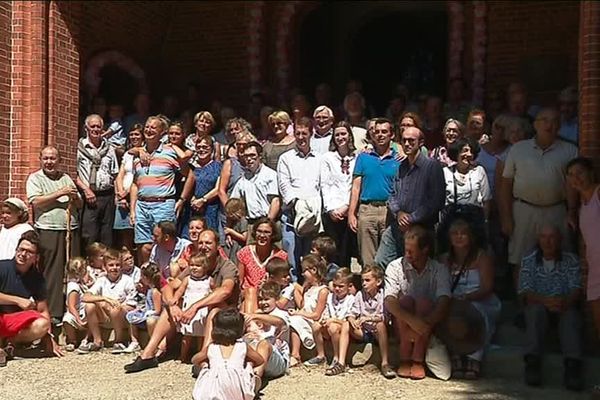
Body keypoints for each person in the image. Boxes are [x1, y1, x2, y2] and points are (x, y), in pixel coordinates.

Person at [125, 229, 239, 373]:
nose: (204, 246)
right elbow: (169, 286)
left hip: (225, 311)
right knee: (170, 308)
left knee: (214, 310)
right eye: (201, 243)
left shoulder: (227, 266)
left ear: (218, 246)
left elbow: (225, 291)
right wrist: (172, 304)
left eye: (208, 243)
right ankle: (148, 354)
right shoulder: (196, 265)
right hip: (196, 311)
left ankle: (203, 359)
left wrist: (195, 306)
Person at [499, 108, 578, 284]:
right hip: (523, 210)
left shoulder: (570, 150)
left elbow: (572, 185)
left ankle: (559, 299)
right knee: (520, 259)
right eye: (545, 120)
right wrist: (506, 218)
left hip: (557, 210)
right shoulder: (518, 149)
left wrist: (572, 211)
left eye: (555, 120)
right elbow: (505, 186)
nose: (550, 125)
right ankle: (523, 305)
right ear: (535, 124)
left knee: (562, 256)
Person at [518, 225, 583, 391]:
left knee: (571, 316)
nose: (547, 242)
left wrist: (564, 302)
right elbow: (525, 291)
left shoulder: (571, 260)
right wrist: (546, 301)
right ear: (538, 240)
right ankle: (532, 364)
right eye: (543, 237)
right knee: (535, 312)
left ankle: (572, 367)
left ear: (560, 240)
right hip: (540, 304)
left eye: (552, 237)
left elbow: (576, 288)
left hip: (563, 304)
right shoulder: (528, 259)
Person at [384, 226, 451, 380]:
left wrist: (424, 324)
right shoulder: (395, 267)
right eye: (405, 250)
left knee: (424, 303)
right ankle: (405, 356)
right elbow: (389, 300)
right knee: (405, 302)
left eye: (411, 251)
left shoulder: (439, 269)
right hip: (403, 321)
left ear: (425, 249)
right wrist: (413, 322)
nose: (407, 255)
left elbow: (444, 299)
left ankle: (417, 359)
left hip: (428, 320)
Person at [26, 146, 83, 324]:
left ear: (59, 160)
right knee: (52, 271)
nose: (49, 162)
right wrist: (60, 193)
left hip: (70, 229)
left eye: (53, 158)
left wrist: (75, 197)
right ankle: (53, 313)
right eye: (46, 158)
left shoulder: (66, 178)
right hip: (48, 229)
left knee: (73, 270)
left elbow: (79, 204)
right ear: (40, 159)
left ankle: (72, 310)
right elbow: (36, 202)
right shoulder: (35, 178)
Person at [375, 126, 445, 268]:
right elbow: (392, 194)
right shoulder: (400, 166)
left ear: (421, 142)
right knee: (380, 262)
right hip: (398, 225)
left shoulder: (432, 166)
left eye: (411, 141)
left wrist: (411, 218)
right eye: (404, 140)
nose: (407, 144)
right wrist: (399, 213)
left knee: (416, 268)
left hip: (422, 227)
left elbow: (436, 200)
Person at [441, 219, 501, 379]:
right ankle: (455, 354)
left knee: (477, 313)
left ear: (471, 237)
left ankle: (474, 358)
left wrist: (468, 297)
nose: (459, 237)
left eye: (463, 234)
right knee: (446, 313)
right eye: (455, 234)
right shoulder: (445, 260)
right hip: (454, 301)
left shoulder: (482, 257)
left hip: (480, 299)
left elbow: (487, 287)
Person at [0, 232, 63, 364]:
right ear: (16, 250)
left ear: (36, 257)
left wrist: (48, 337)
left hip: (14, 323)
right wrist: (18, 300)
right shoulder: (2, 267)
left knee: (43, 323)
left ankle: (9, 343)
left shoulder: (37, 278)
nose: (23, 254)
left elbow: (43, 310)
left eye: (29, 252)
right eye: (21, 249)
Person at [348, 118, 400, 267]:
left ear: (392, 135)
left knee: (388, 258)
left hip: (389, 211)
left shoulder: (399, 158)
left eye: (384, 132)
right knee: (367, 259)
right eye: (376, 132)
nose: (380, 135)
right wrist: (352, 213)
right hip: (367, 210)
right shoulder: (363, 157)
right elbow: (356, 186)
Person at [130, 116, 181, 263]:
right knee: (144, 246)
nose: (149, 130)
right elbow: (135, 184)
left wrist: (182, 200)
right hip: (142, 206)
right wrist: (133, 210)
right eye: (147, 126)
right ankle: (147, 278)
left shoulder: (170, 152)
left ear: (162, 132)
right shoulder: (137, 156)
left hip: (163, 205)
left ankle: (164, 279)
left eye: (153, 127)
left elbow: (189, 174)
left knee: (165, 243)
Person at [277, 117, 322, 281]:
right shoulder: (286, 158)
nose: (301, 137)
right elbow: (284, 185)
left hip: (312, 216)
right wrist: (297, 203)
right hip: (291, 215)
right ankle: (293, 292)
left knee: (310, 259)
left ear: (311, 134)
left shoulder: (320, 158)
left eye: (305, 133)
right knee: (292, 260)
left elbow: (322, 185)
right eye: (298, 133)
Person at [192, 308, 263, 400]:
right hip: (237, 388)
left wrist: (205, 365)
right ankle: (250, 381)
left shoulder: (212, 347)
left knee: (205, 363)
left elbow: (194, 359)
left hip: (213, 389)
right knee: (250, 361)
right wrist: (248, 364)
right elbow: (260, 360)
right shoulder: (242, 346)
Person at [337, 265, 393, 378]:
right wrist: (352, 319)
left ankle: (385, 363)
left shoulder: (384, 295)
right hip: (365, 331)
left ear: (378, 282)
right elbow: (352, 313)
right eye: (362, 280)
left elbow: (386, 317)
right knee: (346, 324)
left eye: (367, 280)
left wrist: (369, 318)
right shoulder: (360, 294)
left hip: (379, 332)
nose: (364, 283)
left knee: (381, 325)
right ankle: (340, 362)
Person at [78, 248, 137, 354]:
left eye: (117, 265)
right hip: (105, 315)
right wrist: (105, 299)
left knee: (115, 309)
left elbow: (132, 305)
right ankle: (97, 340)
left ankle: (119, 341)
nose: (114, 268)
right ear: (105, 267)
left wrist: (115, 307)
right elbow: (85, 297)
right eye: (111, 265)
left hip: (121, 317)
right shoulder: (101, 281)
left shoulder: (127, 281)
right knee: (89, 306)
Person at [438, 137, 491, 253]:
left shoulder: (479, 171)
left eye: (471, 151)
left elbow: (486, 200)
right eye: (465, 150)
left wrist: (485, 222)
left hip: (473, 222)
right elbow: (439, 200)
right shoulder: (445, 172)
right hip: (451, 221)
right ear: (456, 152)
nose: (468, 154)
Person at [566, 158, 600, 338]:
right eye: (571, 175)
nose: (576, 178)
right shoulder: (581, 206)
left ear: (590, 173)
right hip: (595, 268)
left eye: (580, 173)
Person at [76, 114, 119, 249]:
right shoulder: (78, 148)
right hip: (89, 196)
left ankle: (106, 265)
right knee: (89, 234)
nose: (95, 129)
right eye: (92, 126)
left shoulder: (109, 148)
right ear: (86, 128)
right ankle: (90, 265)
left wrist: (117, 195)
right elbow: (73, 173)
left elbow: (115, 174)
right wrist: (86, 190)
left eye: (98, 126)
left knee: (107, 234)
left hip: (107, 195)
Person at [320, 121, 358, 268]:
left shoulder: (357, 157)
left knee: (347, 251)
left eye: (343, 134)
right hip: (332, 212)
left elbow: (354, 185)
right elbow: (325, 184)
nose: (340, 137)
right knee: (333, 252)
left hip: (350, 210)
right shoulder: (327, 158)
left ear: (349, 136)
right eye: (337, 135)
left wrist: (347, 207)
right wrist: (331, 209)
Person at [307, 268, 354, 373]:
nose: (337, 289)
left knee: (333, 327)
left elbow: (348, 321)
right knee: (315, 326)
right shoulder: (330, 297)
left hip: (341, 328)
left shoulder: (351, 299)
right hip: (329, 324)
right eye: (335, 285)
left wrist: (333, 320)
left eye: (341, 286)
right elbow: (327, 311)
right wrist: (324, 320)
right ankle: (320, 355)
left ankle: (337, 357)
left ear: (349, 286)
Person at [243, 281, 291, 382]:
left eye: (267, 299)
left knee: (264, 344)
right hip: (258, 356)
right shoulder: (258, 315)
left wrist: (254, 316)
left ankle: (255, 380)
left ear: (276, 299)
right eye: (260, 300)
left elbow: (280, 323)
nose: (263, 303)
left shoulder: (281, 314)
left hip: (278, 360)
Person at [237, 218, 287, 313]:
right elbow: (240, 281)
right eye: (259, 231)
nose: (262, 235)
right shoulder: (244, 252)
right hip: (248, 295)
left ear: (272, 235)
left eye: (267, 232)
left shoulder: (281, 255)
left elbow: (283, 281)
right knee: (251, 292)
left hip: (270, 297)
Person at [288, 255, 329, 367]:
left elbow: (316, 315)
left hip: (316, 321)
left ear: (314, 270)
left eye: (305, 270)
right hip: (305, 318)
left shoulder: (323, 291)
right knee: (292, 319)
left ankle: (296, 353)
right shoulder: (307, 288)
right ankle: (294, 353)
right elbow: (303, 307)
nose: (302, 274)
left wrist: (298, 313)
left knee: (295, 319)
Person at [174, 253, 213, 363]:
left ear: (205, 267)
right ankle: (182, 356)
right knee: (187, 336)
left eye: (197, 265)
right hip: (188, 311)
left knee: (201, 336)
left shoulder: (209, 281)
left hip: (202, 312)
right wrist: (175, 299)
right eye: (191, 265)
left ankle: (199, 357)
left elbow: (214, 293)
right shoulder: (187, 279)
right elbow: (180, 291)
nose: (194, 268)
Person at [230, 141, 281, 224]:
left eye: (252, 155)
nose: (249, 159)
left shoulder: (270, 175)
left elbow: (275, 201)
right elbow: (233, 202)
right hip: (250, 223)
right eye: (246, 156)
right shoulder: (243, 180)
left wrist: (267, 224)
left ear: (260, 156)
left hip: (268, 222)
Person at [180, 135, 222, 232]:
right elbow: (186, 185)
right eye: (198, 147)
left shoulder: (218, 166)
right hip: (191, 210)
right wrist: (192, 199)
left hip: (210, 210)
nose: (201, 150)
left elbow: (218, 188)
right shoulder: (191, 168)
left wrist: (203, 200)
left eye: (205, 147)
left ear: (211, 149)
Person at [114, 124, 144, 250]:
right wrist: (120, 194)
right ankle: (126, 266)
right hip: (123, 199)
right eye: (131, 134)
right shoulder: (127, 154)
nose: (134, 137)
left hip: (137, 198)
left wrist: (127, 193)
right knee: (125, 235)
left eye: (137, 134)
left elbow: (138, 177)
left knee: (138, 237)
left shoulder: (145, 153)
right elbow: (120, 175)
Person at [125, 262, 162, 354]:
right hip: (147, 312)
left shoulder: (155, 292)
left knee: (150, 320)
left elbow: (157, 310)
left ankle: (152, 345)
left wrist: (148, 313)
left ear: (146, 278)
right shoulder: (149, 290)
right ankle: (135, 342)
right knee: (131, 316)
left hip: (154, 316)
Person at [62, 257, 89, 352]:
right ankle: (72, 340)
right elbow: (71, 306)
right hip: (76, 314)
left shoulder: (80, 283)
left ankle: (86, 339)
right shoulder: (73, 287)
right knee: (67, 319)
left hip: (84, 312)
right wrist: (78, 320)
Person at [222, 198, 248, 264]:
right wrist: (228, 236)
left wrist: (231, 232)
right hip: (231, 246)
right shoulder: (231, 221)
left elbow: (244, 237)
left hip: (238, 247)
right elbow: (227, 230)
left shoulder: (243, 221)